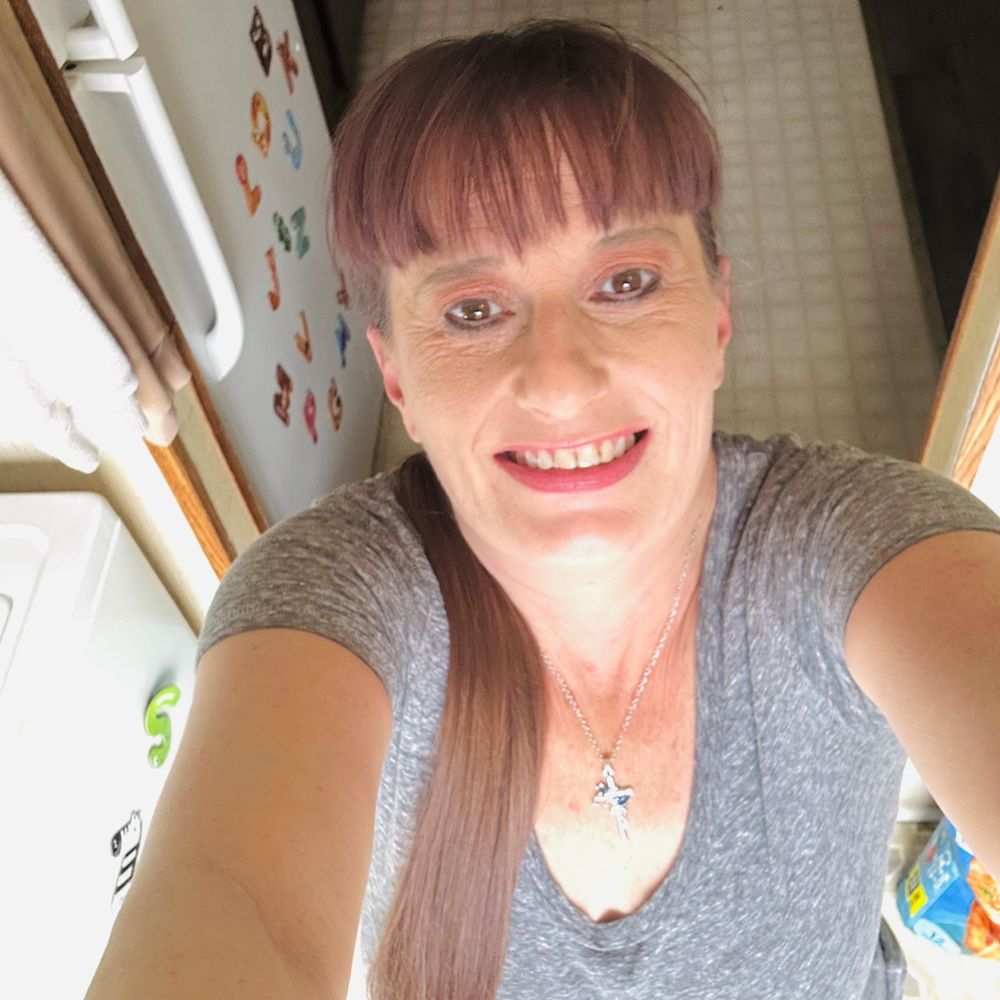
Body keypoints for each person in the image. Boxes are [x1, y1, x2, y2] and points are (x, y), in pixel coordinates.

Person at [85, 19, 1000, 1000]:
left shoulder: (858, 541)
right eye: (472, 310)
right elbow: (235, 904)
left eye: (625, 283)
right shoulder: (332, 600)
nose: (561, 383)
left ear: (717, 316)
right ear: (396, 376)